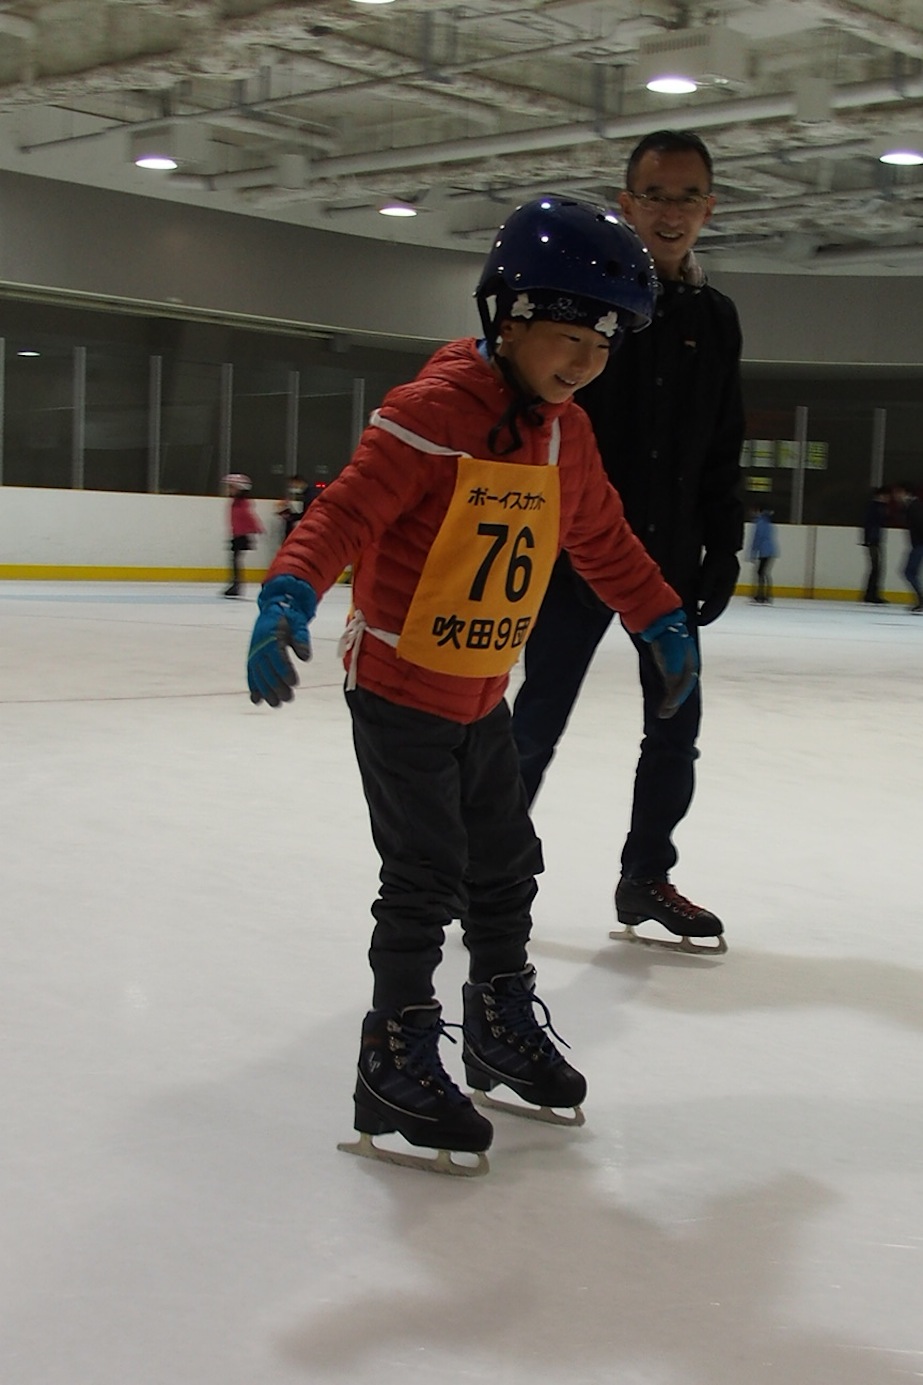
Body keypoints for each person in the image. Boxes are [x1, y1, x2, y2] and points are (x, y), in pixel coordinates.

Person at [245, 197, 698, 1175]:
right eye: (567, 339)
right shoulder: (430, 414)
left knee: (505, 864)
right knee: (423, 874)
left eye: (601, 347)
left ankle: (496, 1024)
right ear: (509, 316)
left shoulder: (564, 435)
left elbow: (602, 539)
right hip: (399, 684)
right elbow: (344, 512)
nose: (583, 363)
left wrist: (658, 617)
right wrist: (288, 591)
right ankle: (393, 1054)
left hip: (480, 689)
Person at [510, 130, 744, 951]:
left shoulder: (715, 320)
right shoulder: (591, 300)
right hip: (574, 557)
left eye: (687, 197)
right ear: (626, 203)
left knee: (675, 728)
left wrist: (723, 543)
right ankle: (484, 865)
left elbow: (722, 441)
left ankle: (645, 875)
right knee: (534, 720)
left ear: (707, 208)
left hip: (668, 564)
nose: (670, 212)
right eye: (654, 196)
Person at [222, 473, 264, 598]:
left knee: (235, 560)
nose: (229, 489)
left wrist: (256, 527)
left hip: (242, 535)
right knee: (235, 560)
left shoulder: (242, 503)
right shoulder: (236, 502)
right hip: (237, 534)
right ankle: (235, 584)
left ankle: (236, 585)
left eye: (232, 487)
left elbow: (249, 515)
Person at [893, 482, 923, 612]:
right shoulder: (911, 506)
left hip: (919, 544)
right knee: (910, 572)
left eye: (897, 493)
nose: (895, 496)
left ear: (903, 492)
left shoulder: (914, 507)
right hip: (918, 544)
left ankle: (921, 600)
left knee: (909, 572)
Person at [860, 486, 891, 604]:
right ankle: (871, 594)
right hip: (873, 540)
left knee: (877, 567)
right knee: (876, 567)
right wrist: (868, 539)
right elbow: (870, 523)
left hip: (874, 540)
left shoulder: (878, 507)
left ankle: (872, 593)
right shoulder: (875, 507)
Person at [748, 505, 778, 604]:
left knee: (761, 573)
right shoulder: (767, 522)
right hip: (769, 550)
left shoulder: (760, 523)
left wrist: (753, 553)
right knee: (763, 572)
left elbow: (757, 539)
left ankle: (762, 596)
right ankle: (765, 595)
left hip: (764, 551)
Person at [276, 475, 309, 543]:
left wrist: (292, 517)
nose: (293, 488)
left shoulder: (309, 495)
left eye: (294, 485)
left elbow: (307, 513)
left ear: (299, 482)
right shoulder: (307, 494)